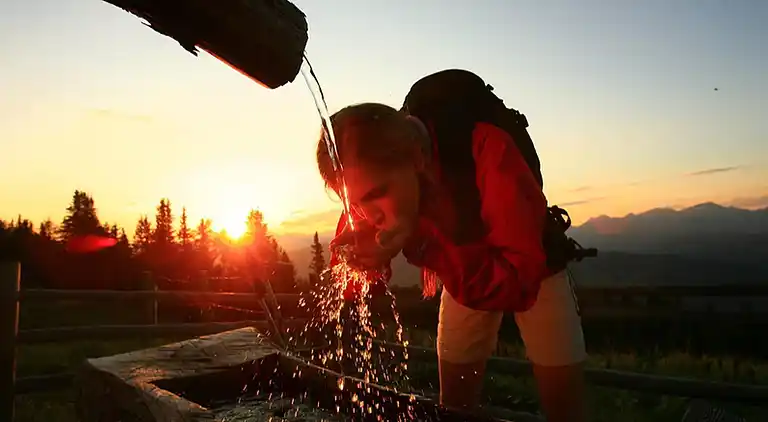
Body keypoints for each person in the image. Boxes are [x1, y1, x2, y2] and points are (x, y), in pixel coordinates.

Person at [316, 69, 594, 422]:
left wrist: (416, 237)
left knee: (564, 409)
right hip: (463, 272)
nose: (370, 215)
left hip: (537, 268)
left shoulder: (487, 148)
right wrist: (364, 262)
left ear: (416, 159)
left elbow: (518, 282)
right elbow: (358, 253)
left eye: (376, 196)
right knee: (454, 409)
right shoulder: (375, 172)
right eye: (355, 203)